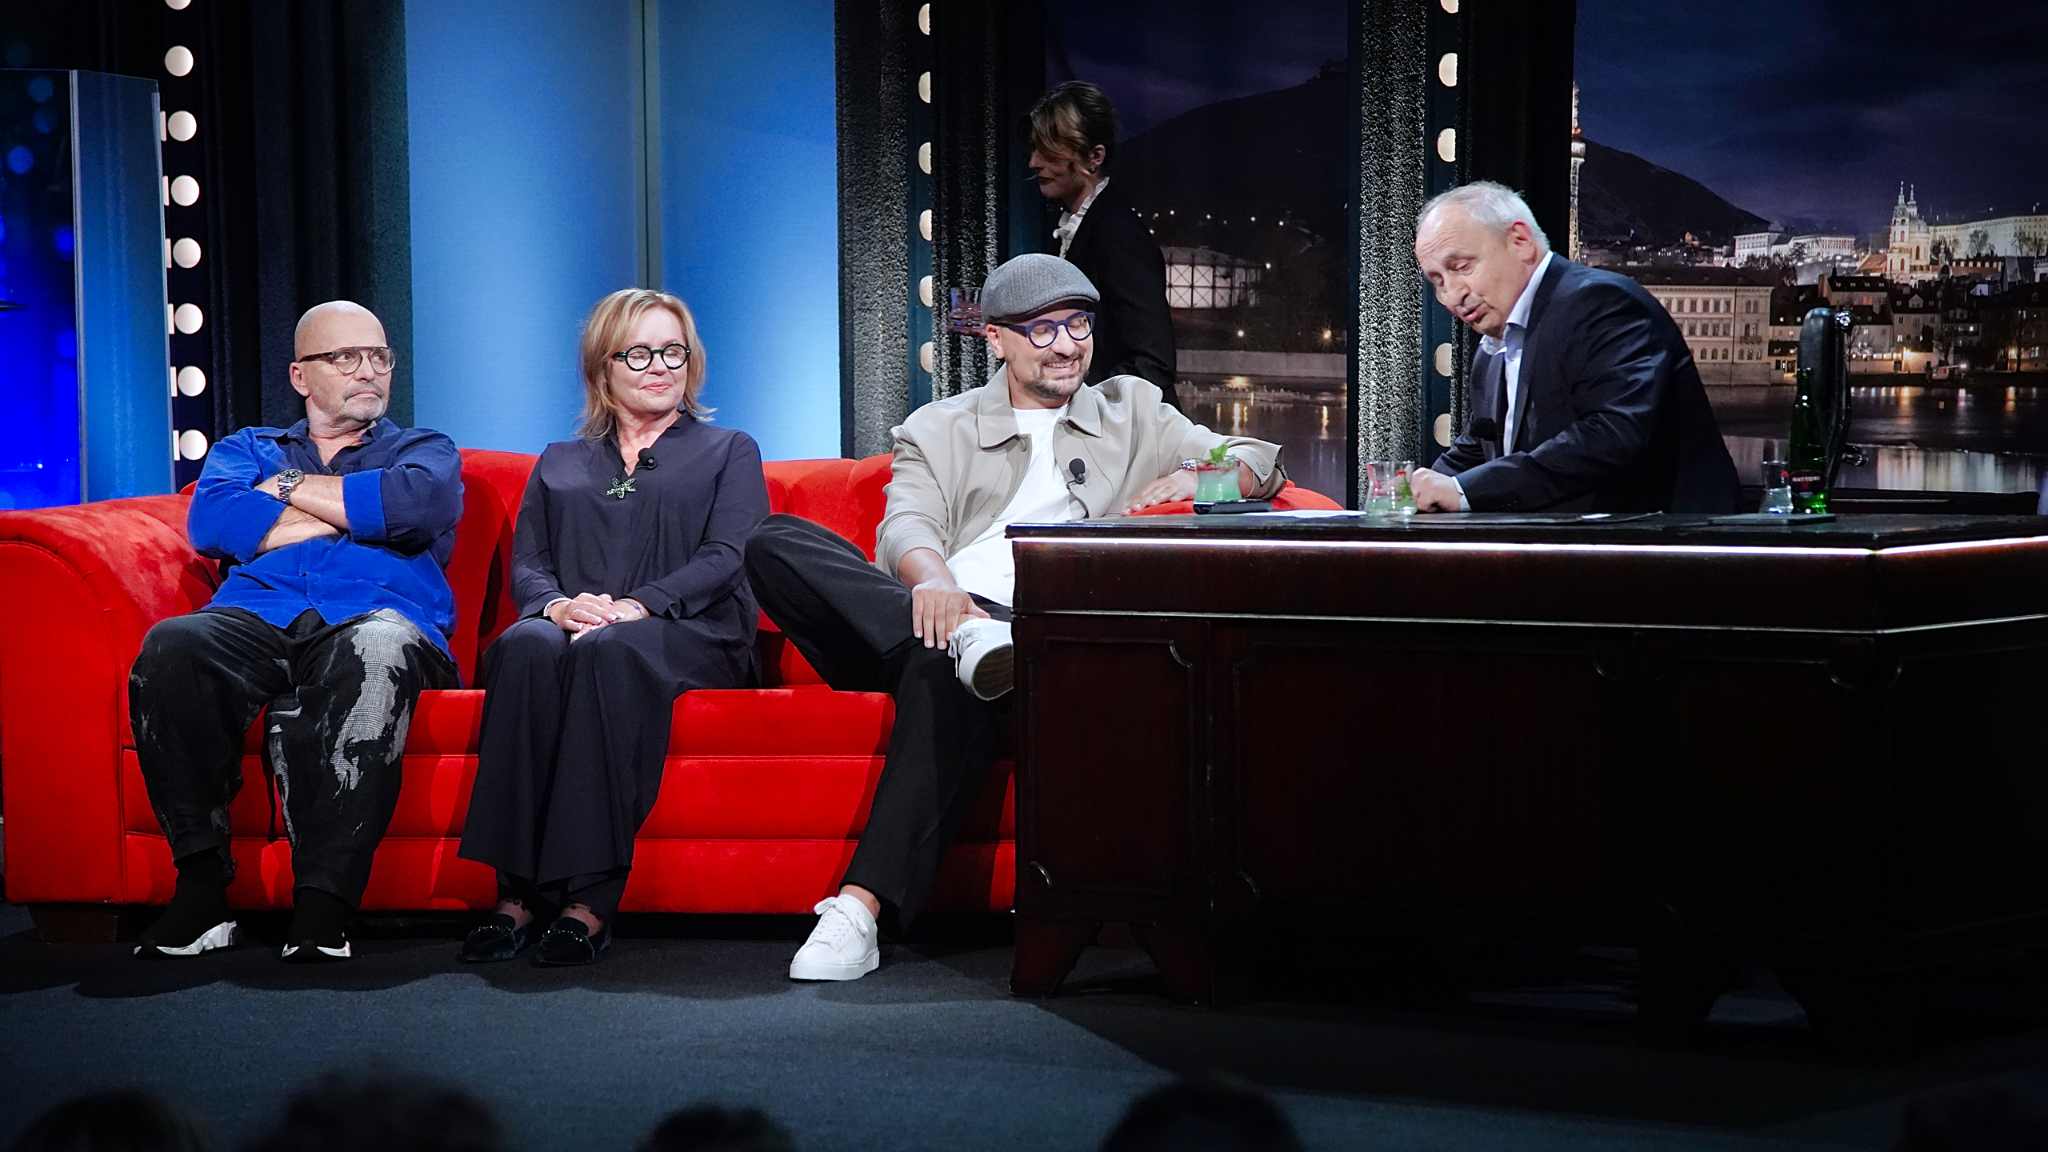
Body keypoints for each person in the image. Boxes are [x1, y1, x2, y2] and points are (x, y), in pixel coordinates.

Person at [744, 253, 1282, 981]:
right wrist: (938, 589)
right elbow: (907, 526)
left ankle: (859, 910)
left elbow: (1257, 462)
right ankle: (967, 638)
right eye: (1042, 330)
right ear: (996, 338)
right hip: (922, 617)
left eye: (1078, 325)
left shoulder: (1131, 410)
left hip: (1034, 642)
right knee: (775, 542)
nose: (1067, 345)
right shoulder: (939, 426)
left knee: (944, 673)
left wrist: (1195, 473)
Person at [128, 301, 461, 962]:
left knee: (373, 648)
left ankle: (322, 908)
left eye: (380, 356)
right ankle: (201, 892)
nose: (369, 371)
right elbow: (215, 522)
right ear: (300, 375)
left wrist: (278, 491)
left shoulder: (423, 450)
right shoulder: (246, 448)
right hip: (258, 613)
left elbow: (413, 508)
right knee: (174, 645)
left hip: (378, 615)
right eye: (346, 357)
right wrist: (357, 512)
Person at [456, 289, 767, 967]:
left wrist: (640, 604)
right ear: (604, 366)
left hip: (692, 632)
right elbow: (529, 565)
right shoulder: (560, 460)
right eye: (640, 353)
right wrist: (557, 608)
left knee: (610, 652)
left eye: (673, 352)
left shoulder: (727, 450)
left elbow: (727, 556)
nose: (660, 367)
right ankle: (514, 895)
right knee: (522, 646)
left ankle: (588, 902)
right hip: (578, 625)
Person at [1410, 181, 1741, 514]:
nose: (1452, 295)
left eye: (1461, 267)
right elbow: (1476, 449)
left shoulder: (1601, 303)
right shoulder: (1491, 351)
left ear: (1520, 241)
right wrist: (1410, 495)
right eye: (1438, 281)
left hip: (1662, 539)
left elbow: (1611, 435)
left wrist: (1464, 490)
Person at [1029, 81, 1179, 407]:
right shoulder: (1077, 227)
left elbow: (1152, 363)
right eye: (1035, 149)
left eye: (1050, 151)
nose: (1034, 162)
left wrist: (1084, 408)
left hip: (1126, 429)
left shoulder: (1119, 233)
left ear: (1095, 156)